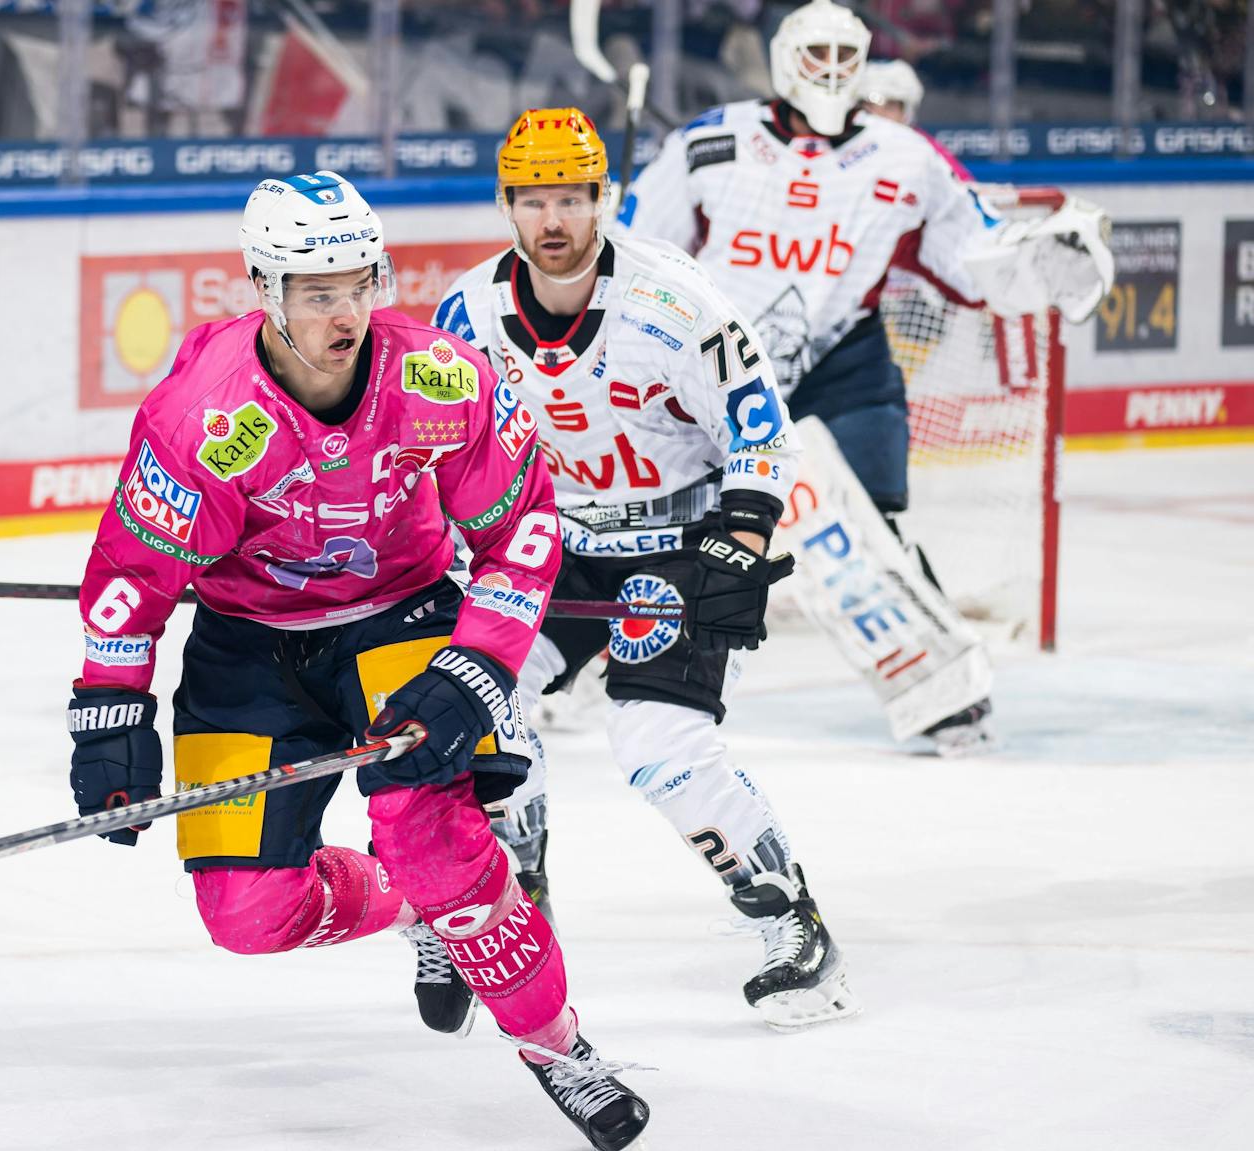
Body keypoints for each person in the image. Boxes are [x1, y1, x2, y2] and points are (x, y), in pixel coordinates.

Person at [67, 170, 651, 1151]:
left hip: (402, 618)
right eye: (316, 291)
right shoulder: (202, 421)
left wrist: (475, 666)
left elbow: (520, 534)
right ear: (263, 289)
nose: (346, 312)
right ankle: (404, 903)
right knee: (247, 915)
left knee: (436, 834)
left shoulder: (439, 380)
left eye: (358, 282)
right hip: (246, 642)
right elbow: (132, 575)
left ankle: (555, 1044)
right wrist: (109, 710)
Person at [434, 107, 858, 1032]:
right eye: (534, 200)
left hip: (678, 539)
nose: (555, 221)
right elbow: (442, 446)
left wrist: (740, 534)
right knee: (469, 704)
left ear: (606, 200)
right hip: (551, 543)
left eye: (573, 198)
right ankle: (513, 900)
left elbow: (759, 424)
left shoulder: (672, 303)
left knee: (658, 743)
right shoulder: (465, 314)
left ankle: (794, 923)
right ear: (506, 205)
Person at [622, 0, 1112, 756]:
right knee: (656, 522)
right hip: (717, 366)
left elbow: (976, 254)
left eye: (843, 56)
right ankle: (591, 656)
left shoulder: (904, 156)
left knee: (867, 529)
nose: (829, 71)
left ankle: (936, 685)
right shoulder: (710, 139)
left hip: (842, 359)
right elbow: (636, 250)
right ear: (785, 59)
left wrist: (1044, 258)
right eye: (813, 54)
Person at [859, 57, 971, 179]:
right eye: (869, 107)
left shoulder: (926, 149)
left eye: (889, 107)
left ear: (906, 113)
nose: (878, 116)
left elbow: (963, 188)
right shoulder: (843, 147)